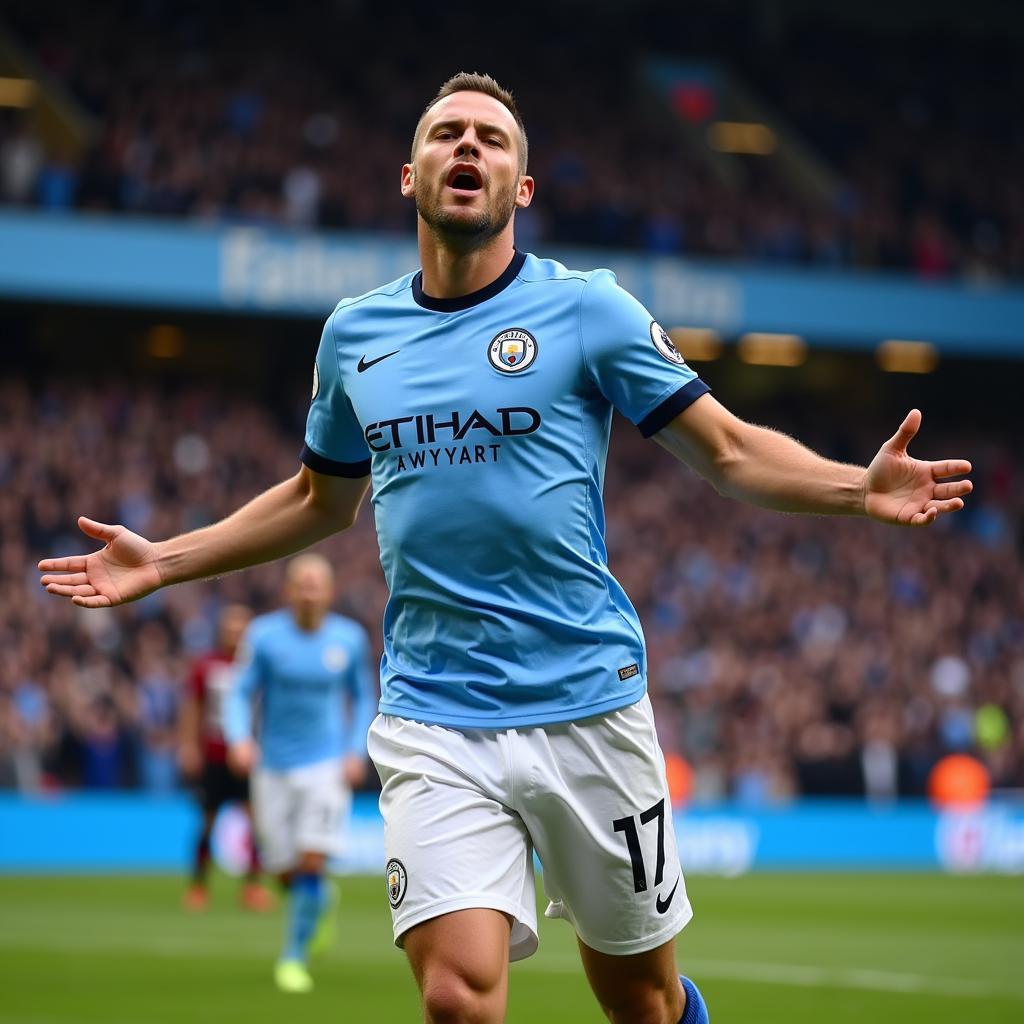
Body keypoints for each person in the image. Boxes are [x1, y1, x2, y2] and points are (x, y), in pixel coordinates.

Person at [37, 72, 973, 1024]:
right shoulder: (355, 337)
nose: (469, 148)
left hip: (588, 707)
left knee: (642, 1004)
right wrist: (166, 559)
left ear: (521, 188)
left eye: (492, 138)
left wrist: (856, 487)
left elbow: (728, 452)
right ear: (411, 174)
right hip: (434, 717)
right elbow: (321, 500)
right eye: (448, 134)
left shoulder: (589, 310)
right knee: (457, 999)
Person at [222, 554, 375, 993]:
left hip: (325, 766)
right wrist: (239, 738)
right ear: (289, 591)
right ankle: (321, 901)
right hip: (272, 766)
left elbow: (363, 696)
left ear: (329, 592)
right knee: (284, 870)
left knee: (311, 860)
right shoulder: (265, 636)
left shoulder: (347, 640)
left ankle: (293, 956)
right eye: (302, 584)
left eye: (317, 584)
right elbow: (240, 691)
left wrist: (353, 750)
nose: (309, 592)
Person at [177, 602, 272, 912]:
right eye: (230, 627)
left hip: (249, 756)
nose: (235, 633)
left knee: (256, 823)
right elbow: (193, 707)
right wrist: (189, 746)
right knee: (207, 821)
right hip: (215, 755)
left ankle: (253, 887)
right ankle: (198, 886)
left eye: (241, 627)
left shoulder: (260, 666)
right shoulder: (207, 665)